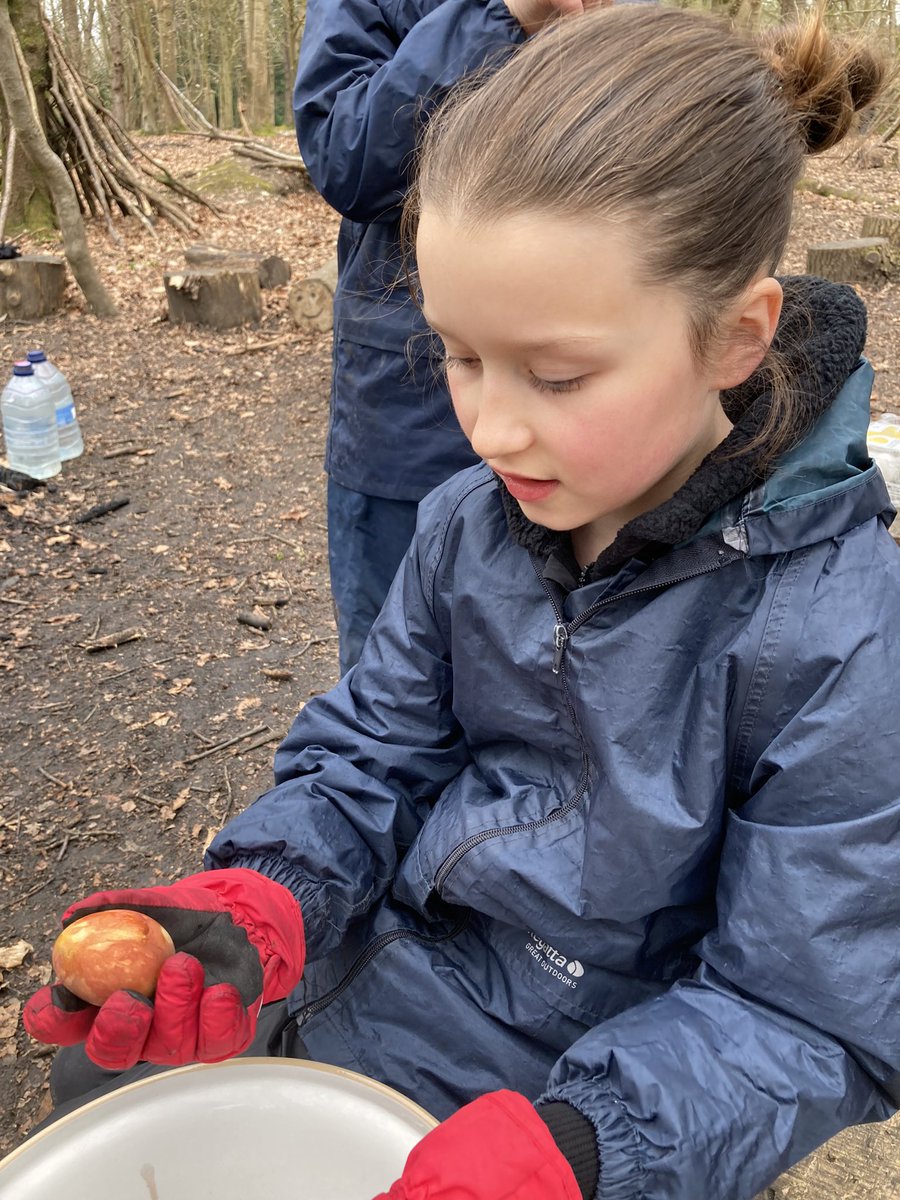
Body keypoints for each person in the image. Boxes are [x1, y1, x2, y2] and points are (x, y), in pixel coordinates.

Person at [24, 8, 900, 1200]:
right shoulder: (467, 524)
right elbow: (371, 757)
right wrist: (266, 900)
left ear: (736, 338)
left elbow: (808, 1012)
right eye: (460, 355)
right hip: (364, 994)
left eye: (557, 375)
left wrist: (584, 1148)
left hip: (597, 1100)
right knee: (108, 1085)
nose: (489, 430)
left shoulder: (841, 638)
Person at [295, 0, 591, 675]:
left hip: (593, 410)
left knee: (575, 663)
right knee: (402, 665)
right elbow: (347, 158)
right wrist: (501, 17)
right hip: (408, 410)